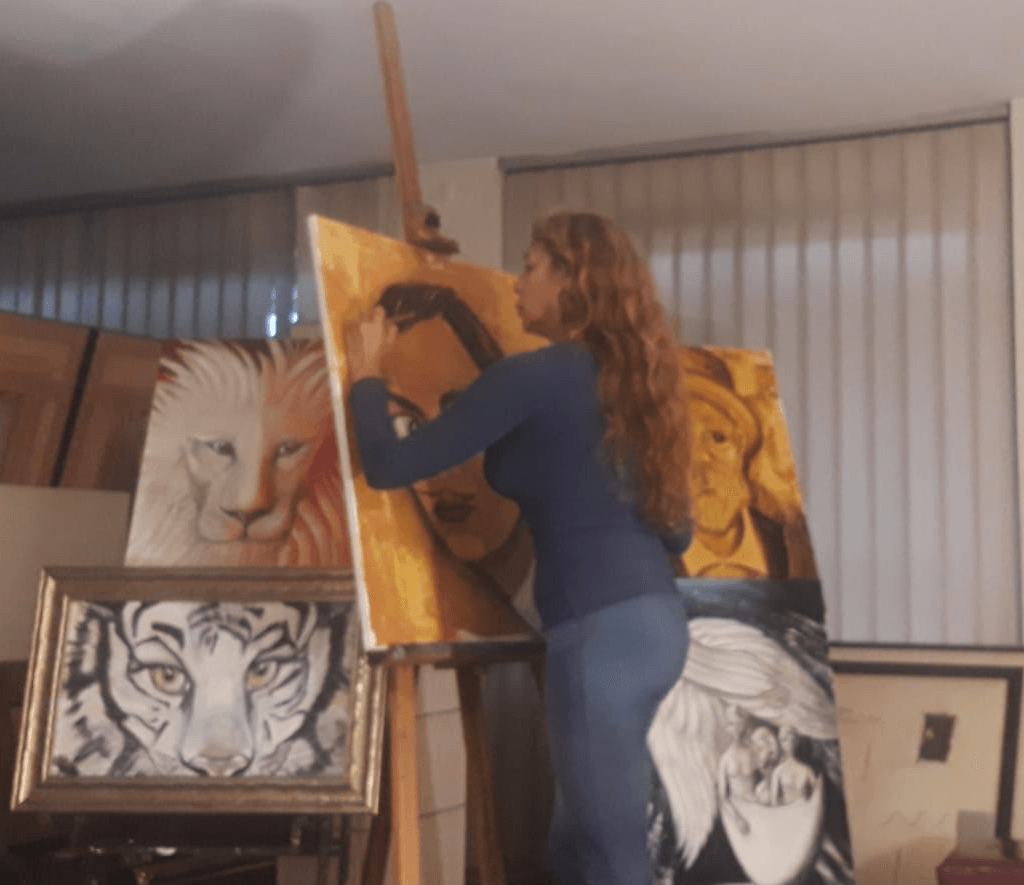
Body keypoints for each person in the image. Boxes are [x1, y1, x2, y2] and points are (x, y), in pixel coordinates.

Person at [344, 210, 692, 885]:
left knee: (609, 849)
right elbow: (678, 533)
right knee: (573, 842)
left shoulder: (536, 376)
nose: (515, 283)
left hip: (598, 636)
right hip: (656, 628)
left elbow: (389, 465)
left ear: (572, 281)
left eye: (531, 268)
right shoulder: (632, 385)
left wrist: (366, 377)